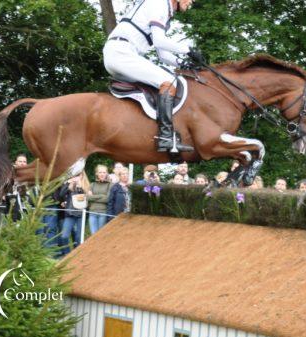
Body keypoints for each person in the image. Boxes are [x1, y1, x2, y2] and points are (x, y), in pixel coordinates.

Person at [103, 0, 202, 153]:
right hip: (122, 53)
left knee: (163, 79)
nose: (192, 1)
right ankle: (165, 138)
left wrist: (182, 63)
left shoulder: (164, 10)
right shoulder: (159, 4)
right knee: (168, 83)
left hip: (120, 53)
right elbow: (159, 40)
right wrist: (188, 49)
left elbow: (162, 54)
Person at [57, 172, 90, 255]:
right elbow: (60, 195)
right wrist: (68, 183)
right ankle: (68, 255)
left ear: (82, 175)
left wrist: (80, 186)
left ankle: (78, 256)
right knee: (64, 236)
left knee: (79, 237)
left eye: (78, 175)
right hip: (70, 214)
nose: (76, 177)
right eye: (75, 175)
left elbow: (89, 198)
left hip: (81, 215)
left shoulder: (86, 185)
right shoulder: (69, 186)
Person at [87, 165, 112, 235]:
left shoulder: (110, 185)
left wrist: (93, 197)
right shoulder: (92, 184)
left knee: (101, 235)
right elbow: (88, 198)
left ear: (107, 173)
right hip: (92, 213)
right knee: (93, 235)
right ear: (96, 173)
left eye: (104, 172)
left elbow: (107, 199)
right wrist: (102, 196)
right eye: (100, 172)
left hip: (103, 212)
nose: (102, 174)